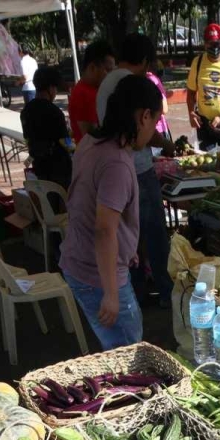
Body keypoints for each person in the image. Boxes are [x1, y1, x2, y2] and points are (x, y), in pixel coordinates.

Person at [59, 75, 162, 350]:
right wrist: (111, 294)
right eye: (154, 124)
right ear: (144, 116)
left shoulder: (92, 141)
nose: (153, 132)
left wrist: (129, 248)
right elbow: (104, 229)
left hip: (81, 262)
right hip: (96, 274)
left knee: (122, 343)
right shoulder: (116, 162)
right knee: (128, 350)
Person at [96, 34, 175, 307]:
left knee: (130, 237)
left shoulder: (106, 81)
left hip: (125, 171)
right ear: (142, 61)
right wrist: (165, 143)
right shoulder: (129, 85)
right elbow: (141, 131)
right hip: (138, 172)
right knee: (154, 235)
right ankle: (166, 293)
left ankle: (137, 292)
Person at [186, 23, 220, 151]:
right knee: (205, 167)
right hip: (205, 127)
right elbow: (190, 94)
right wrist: (191, 113)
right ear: (205, 44)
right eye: (211, 44)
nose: (215, 48)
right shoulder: (197, 63)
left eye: (217, 44)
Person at [21, 66, 73, 188]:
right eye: (55, 88)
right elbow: (64, 141)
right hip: (59, 169)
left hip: (39, 166)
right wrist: (75, 149)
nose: (55, 92)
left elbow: (27, 139)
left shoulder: (26, 110)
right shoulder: (54, 111)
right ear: (50, 88)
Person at [69, 39, 116, 144]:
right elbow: (91, 136)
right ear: (92, 68)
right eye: (108, 70)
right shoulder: (84, 94)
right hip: (94, 156)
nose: (110, 75)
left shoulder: (93, 90)